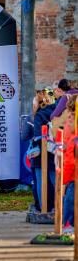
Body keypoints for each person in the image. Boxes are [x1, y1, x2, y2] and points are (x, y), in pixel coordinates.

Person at [30, 90, 56, 211]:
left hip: (40, 153)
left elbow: (36, 136)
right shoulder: (59, 113)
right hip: (56, 152)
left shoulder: (39, 115)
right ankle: (58, 208)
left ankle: (43, 208)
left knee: (40, 181)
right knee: (55, 181)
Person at [62, 95, 76, 234]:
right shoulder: (71, 122)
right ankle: (68, 224)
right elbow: (69, 151)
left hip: (72, 169)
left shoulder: (70, 121)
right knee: (70, 196)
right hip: (72, 171)